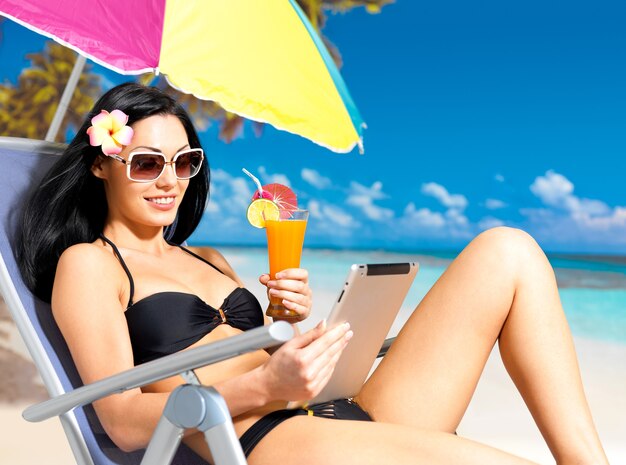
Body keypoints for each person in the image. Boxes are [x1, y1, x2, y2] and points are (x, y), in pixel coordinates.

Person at [18, 82, 609, 465]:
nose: (170, 180)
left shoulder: (208, 259)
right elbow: (120, 422)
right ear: (102, 163)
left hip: (326, 412)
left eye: (185, 162)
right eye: (146, 163)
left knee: (509, 250)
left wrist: (287, 322)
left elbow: (252, 353)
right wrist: (267, 387)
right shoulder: (90, 264)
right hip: (261, 441)